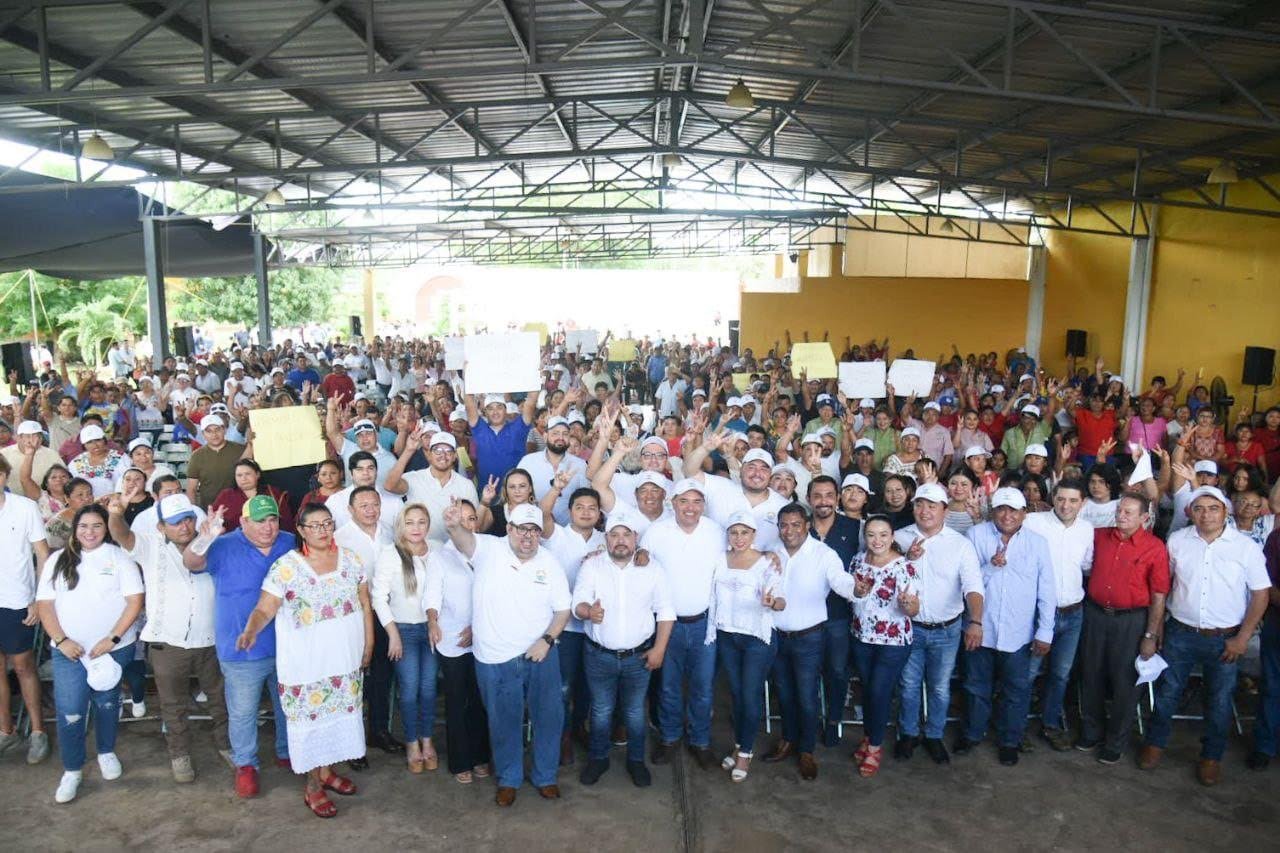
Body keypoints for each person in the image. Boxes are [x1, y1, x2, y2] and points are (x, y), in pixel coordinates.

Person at [235, 503, 374, 818]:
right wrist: (251, 630)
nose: (323, 530)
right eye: (315, 525)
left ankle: (327, 773)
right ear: (300, 530)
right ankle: (313, 787)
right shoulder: (287, 567)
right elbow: (265, 608)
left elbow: (364, 603)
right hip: (307, 666)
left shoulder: (351, 560)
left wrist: (369, 642)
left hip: (344, 661)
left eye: (328, 523)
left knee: (339, 718)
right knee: (313, 725)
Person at [443, 500, 570, 807]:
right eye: (521, 528)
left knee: (549, 717)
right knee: (503, 721)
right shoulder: (488, 548)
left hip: (540, 654)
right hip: (495, 658)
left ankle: (545, 776)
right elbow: (462, 539)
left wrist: (547, 640)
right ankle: (509, 778)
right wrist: (454, 524)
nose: (527, 536)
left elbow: (563, 610)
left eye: (534, 530)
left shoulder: (550, 562)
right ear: (509, 528)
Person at [1140, 486, 1270, 786]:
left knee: (1219, 700)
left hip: (1225, 639)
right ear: (1190, 513)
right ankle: (1155, 743)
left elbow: (1260, 595)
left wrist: (1242, 638)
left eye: (1213, 508)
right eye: (1198, 508)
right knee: (1168, 692)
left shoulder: (1245, 547)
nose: (1206, 515)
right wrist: (1158, 627)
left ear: (1226, 511)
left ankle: (1211, 756)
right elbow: (1163, 585)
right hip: (1180, 632)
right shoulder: (1177, 540)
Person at [105, 490, 229, 782]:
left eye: (188, 519)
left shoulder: (212, 543)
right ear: (161, 526)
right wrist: (115, 514)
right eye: (175, 522)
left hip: (211, 639)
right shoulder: (150, 546)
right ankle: (179, 754)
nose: (184, 526)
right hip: (167, 642)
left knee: (220, 699)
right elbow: (122, 535)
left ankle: (227, 745)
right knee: (173, 705)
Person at [183, 496, 295, 799]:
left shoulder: (290, 542)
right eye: (260, 521)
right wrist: (205, 537)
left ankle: (287, 751)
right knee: (243, 711)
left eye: (272, 519)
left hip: (289, 644)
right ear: (243, 522)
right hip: (242, 647)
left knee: (289, 706)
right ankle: (245, 764)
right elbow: (191, 562)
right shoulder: (223, 544)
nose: (268, 527)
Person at [35, 504, 144, 804]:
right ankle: (72, 769)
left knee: (107, 703)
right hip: (69, 652)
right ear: (75, 529)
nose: (90, 532)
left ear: (106, 528)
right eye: (84, 526)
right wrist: (62, 640)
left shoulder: (120, 558)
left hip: (112, 649)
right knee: (71, 709)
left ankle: (106, 752)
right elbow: (45, 605)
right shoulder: (57, 560)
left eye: (97, 525)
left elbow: (135, 601)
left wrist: (112, 638)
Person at [572, 508, 675, 788]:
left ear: (635, 538)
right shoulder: (592, 566)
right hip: (598, 655)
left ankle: (636, 760)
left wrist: (659, 649)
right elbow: (578, 601)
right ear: (605, 538)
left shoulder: (652, 569)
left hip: (638, 656)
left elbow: (666, 611)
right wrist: (587, 612)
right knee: (601, 710)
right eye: (614, 535)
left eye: (626, 535)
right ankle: (599, 758)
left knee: (634, 711)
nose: (620, 540)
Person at [956, 487, 1055, 766]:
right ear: (992, 511)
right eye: (1001, 509)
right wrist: (990, 567)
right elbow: (965, 581)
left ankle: (1010, 740)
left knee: (1016, 690)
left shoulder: (1038, 543)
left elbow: (1047, 589)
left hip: (1018, 632)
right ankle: (973, 734)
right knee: (976, 686)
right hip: (980, 628)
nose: (1007, 515)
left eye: (1013, 510)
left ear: (1024, 513)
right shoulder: (975, 535)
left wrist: (1045, 630)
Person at [893, 482, 984, 764]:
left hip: (947, 630)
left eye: (932, 506)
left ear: (945, 510)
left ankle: (934, 735)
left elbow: (973, 587)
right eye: (919, 504)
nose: (925, 511)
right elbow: (883, 576)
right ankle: (908, 733)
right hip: (909, 627)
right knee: (908, 684)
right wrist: (906, 558)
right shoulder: (898, 538)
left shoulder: (960, 544)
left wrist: (976, 621)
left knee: (940, 686)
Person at [764, 502, 855, 779]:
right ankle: (788, 739)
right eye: (784, 525)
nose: (789, 530)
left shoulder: (823, 554)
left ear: (807, 526)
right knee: (784, 693)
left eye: (795, 525)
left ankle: (806, 750)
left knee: (806, 696)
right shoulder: (771, 552)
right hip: (776, 637)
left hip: (809, 638)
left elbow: (840, 581)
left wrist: (857, 588)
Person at [639, 478, 725, 771]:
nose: (691, 507)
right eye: (684, 501)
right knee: (668, 686)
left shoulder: (716, 532)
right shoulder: (656, 531)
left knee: (703, 687)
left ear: (704, 505)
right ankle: (670, 737)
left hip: (704, 623)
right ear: (672, 503)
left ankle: (700, 741)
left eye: (697, 501)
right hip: (668, 625)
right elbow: (641, 563)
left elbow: (737, 558)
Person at [1078, 492, 1169, 764]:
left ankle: (1115, 741)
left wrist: (1151, 634)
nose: (1121, 515)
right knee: (1090, 674)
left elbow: (1159, 594)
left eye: (1129, 512)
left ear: (1144, 517)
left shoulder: (1154, 547)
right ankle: (1091, 732)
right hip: (1095, 614)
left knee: (1125, 682)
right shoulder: (1098, 536)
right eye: (1119, 510)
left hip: (1131, 620)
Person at [710, 511, 783, 782]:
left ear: (754, 535)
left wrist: (773, 603)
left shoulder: (767, 561)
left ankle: (746, 752)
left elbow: (781, 599)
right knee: (737, 694)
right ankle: (740, 743)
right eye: (734, 532)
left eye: (744, 532)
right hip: (728, 635)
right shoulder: (720, 559)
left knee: (750, 695)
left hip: (756, 637)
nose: (739, 538)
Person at [1022, 478, 1094, 751]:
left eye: (1073, 500)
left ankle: (1050, 724)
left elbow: (1086, 566)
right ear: (1053, 497)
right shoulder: (1033, 522)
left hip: (1073, 612)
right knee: (1028, 672)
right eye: (1061, 499)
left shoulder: (1086, 529)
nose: (1066, 505)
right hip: (1039, 612)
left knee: (1060, 674)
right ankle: (1016, 727)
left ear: (1082, 503)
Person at [424, 499, 491, 784]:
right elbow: (432, 593)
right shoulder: (441, 556)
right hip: (452, 639)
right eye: (460, 518)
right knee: (456, 699)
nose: (466, 524)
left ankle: (481, 756)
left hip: (486, 637)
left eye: (471, 518)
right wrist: (432, 620)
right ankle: (460, 760)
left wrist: (477, 627)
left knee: (481, 699)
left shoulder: (491, 551)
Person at [539, 479, 604, 765]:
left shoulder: (606, 539)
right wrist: (556, 488)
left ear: (599, 513)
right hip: (564, 627)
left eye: (592, 508)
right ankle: (563, 736)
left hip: (594, 626)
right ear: (570, 511)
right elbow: (543, 513)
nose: (586, 512)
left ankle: (579, 727)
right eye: (580, 507)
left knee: (587, 685)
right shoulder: (558, 535)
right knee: (563, 686)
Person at [850, 515, 920, 777]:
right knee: (869, 691)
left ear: (892, 537)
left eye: (883, 535)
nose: (877, 540)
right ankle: (869, 736)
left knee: (879, 692)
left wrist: (908, 605)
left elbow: (914, 609)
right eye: (871, 535)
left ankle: (875, 747)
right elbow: (852, 594)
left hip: (892, 642)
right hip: (861, 637)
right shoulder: (857, 561)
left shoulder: (904, 567)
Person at [372, 503, 439, 773]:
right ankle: (412, 742)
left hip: (432, 629)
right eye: (410, 522)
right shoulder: (390, 554)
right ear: (401, 525)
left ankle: (427, 740)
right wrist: (393, 634)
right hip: (404, 630)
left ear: (428, 525)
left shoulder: (437, 550)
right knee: (410, 689)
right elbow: (378, 598)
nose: (416, 528)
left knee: (429, 688)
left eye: (421, 522)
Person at [334, 486, 399, 755]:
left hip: (385, 613)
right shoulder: (339, 538)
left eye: (375, 505)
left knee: (382, 675)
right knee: (353, 677)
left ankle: (378, 731)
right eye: (364, 506)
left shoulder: (391, 533)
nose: (371, 511)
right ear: (350, 510)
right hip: (354, 616)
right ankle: (349, 741)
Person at [804, 475, 862, 747]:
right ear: (808, 499)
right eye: (817, 495)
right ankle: (810, 719)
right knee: (807, 672)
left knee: (837, 671)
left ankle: (833, 720)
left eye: (829, 495)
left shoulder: (855, 528)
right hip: (805, 615)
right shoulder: (800, 527)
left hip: (838, 615)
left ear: (837, 498)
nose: (823, 501)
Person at [0, 456, 51, 764]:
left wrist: (37, 598)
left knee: (23, 667)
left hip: (18, 600)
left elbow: (42, 554)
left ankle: (37, 731)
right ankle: (6, 731)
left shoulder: (24, 507)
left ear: (5, 475)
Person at [384, 430, 477, 543]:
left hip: (455, 548)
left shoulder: (466, 485)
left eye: (448, 451)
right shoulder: (414, 478)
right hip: (419, 547)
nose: (443, 455)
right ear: (429, 455)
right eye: (437, 451)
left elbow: (474, 522)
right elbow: (389, 485)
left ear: (454, 456)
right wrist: (408, 450)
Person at [518, 416, 589, 526]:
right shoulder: (528, 462)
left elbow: (586, 498)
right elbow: (517, 496)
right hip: (534, 528)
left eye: (565, 434)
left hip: (569, 530)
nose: (560, 437)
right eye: (555, 433)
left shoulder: (580, 464)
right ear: (545, 436)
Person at [1251, 527, 1280, 770]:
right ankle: (1265, 746)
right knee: (1272, 686)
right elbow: (1267, 582)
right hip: (1278, 622)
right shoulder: (1278, 537)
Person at [212, 459, 296, 533]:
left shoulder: (273, 493)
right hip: (235, 542)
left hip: (270, 540)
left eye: (247, 474)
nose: (243, 478)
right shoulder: (226, 496)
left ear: (257, 474)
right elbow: (213, 523)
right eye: (239, 475)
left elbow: (287, 524)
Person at [184, 414, 245, 509]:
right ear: (203, 434)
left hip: (239, 509)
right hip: (210, 510)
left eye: (217, 429)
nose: (214, 434)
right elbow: (191, 489)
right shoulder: (197, 456)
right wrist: (195, 512)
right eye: (209, 431)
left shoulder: (240, 450)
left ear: (224, 430)